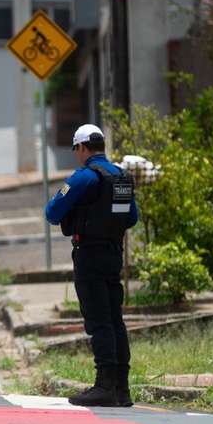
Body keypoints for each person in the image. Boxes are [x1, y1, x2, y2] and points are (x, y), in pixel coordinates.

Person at [45, 124, 138, 407]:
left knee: (98, 321)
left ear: (82, 148)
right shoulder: (120, 177)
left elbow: (52, 212)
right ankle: (121, 388)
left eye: (76, 150)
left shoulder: (83, 177)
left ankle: (104, 386)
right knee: (114, 320)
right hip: (113, 254)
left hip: (89, 255)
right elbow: (131, 218)